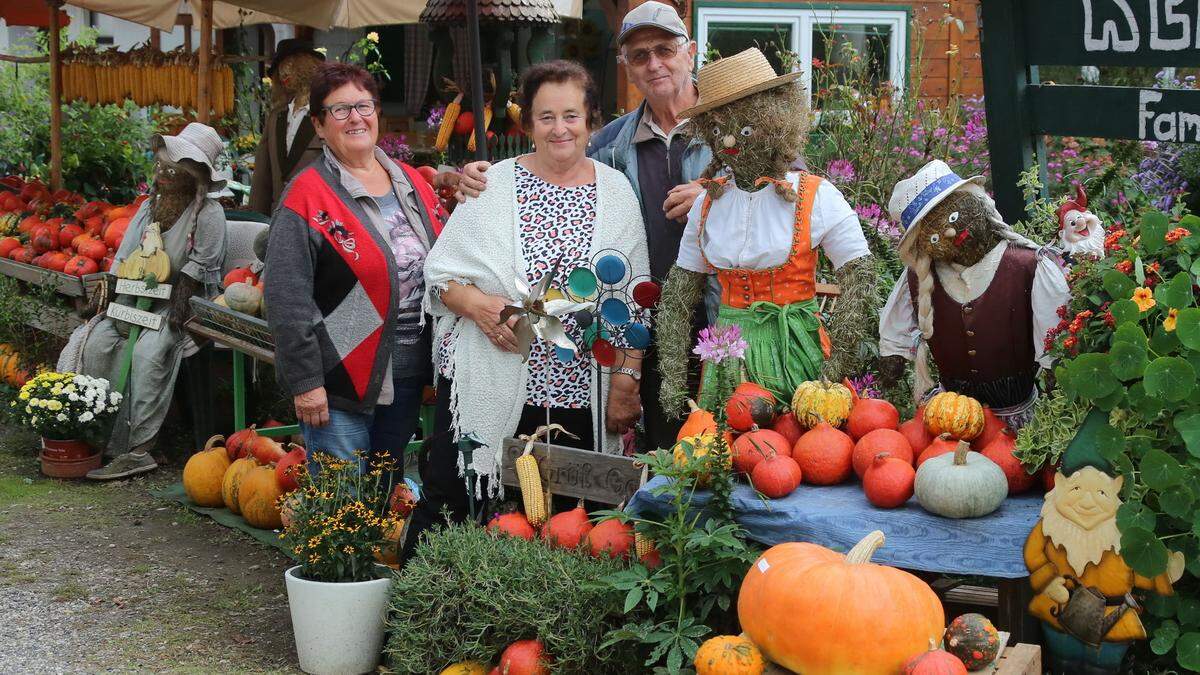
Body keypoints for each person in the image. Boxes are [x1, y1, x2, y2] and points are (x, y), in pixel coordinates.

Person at [406, 60, 649, 560]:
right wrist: (477, 304)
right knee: (459, 502)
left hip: (579, 389)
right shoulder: (492, 185)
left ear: (591, 121)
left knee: (565, 518)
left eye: (571, 115)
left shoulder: (617, 192)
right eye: (546, 117)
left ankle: (535, 631)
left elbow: (632, 293)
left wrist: (627, 380)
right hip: (493, 377)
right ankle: (417, 625)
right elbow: (439, 277)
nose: (560, 128)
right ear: (527, 125)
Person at [455, 1, 714, 452]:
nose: (654, 63)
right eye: (639, 55)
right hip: (649, 329)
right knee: (666, 458)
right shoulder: (611, 146)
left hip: (726, 317)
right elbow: (558, 173)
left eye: (665, 49)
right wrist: (452, 178)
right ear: (626, 69)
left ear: (690, 51)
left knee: (735, 447)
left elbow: (790, 190)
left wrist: (717, 198)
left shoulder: (737, 128)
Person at [264, 62, 447, 469]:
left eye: (363, 106)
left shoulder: (409, 181)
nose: (355, 118)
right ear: (319, 124)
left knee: (384, 492)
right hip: (340, 378)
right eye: (340, 110)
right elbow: (286, 299)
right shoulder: (307, 196)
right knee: (343, 504)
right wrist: (306, 382)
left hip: (407, 374)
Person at [74, 123, 228, 479]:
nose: (165, 173)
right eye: (162, 166)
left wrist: (177, 305)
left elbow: (199, 269)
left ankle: (139, 447)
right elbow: (124, 257)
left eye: (176, 168)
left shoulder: (208, 215)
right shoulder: (147, 210)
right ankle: (98, 433)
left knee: (149, 354)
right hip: (134, 298)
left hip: (178, 308)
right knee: (98, 343)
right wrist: (108, 295)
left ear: (196, 176)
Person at [249, 39, 326, 215]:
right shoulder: (276, 116)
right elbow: (263, 173)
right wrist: (256, 217)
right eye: (280, 69)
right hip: (278, 217)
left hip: (316, 218)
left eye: (291, 65)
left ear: (307, 67)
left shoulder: (326, 113)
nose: (284, 73)